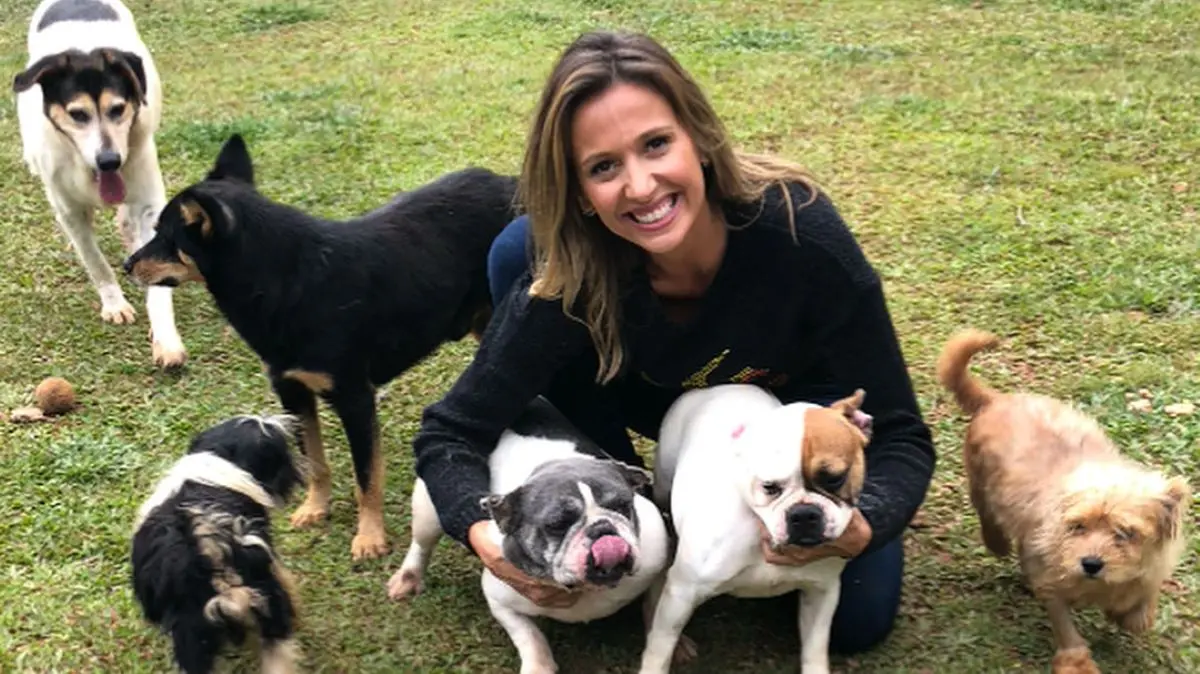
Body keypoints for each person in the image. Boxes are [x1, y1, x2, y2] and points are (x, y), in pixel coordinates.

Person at [411, 29, 935, 655]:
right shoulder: (571, 274)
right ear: (580, 192)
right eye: (603, 167)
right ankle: (617, 486)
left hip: (795, 419)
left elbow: (901, 432)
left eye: (656, 144)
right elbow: (450, 432)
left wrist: (865, 523)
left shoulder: (802, 234)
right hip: (652, 408)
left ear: (701, 139)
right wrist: (489, 541)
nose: (640, 186)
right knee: (516, 251)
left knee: (859, 620)